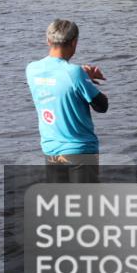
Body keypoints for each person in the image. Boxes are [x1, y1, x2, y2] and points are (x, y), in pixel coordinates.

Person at [26, 20, 108, 183]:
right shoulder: (75, 73)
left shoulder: (32, 69)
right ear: (74, 42)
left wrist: (82, 77)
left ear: (48, 40)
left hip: (51, 151)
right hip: (80, 151)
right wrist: (86, 79)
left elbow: (57, 84)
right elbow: (102, 106)